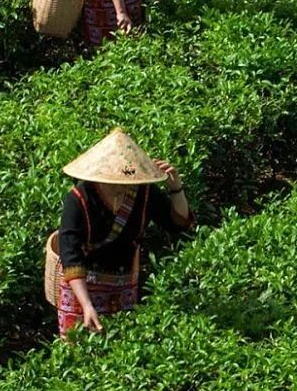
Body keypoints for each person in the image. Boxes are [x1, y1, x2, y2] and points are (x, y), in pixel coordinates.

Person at [56, 128, 195, 336]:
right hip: (81, 288)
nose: (120, 186)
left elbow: (178, 224)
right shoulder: (78, 200)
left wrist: (176, 190)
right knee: (80, 349)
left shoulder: (143, 192)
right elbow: (71, 255)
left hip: (124, 283)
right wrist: (87, 305)